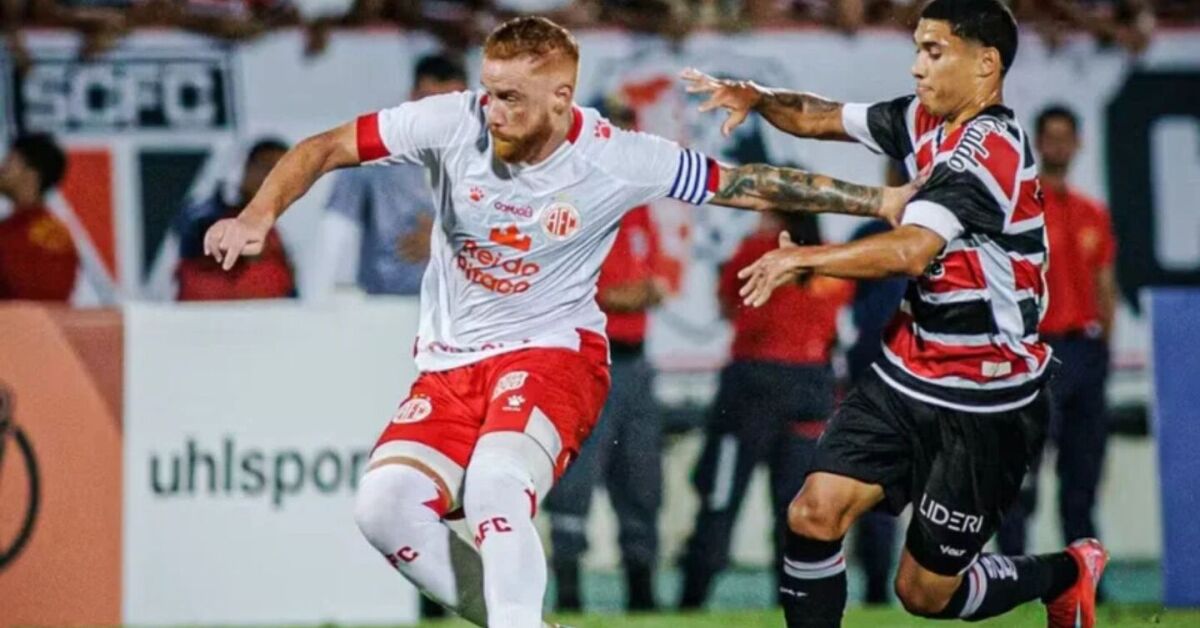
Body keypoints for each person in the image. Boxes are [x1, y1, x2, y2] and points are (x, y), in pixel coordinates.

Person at [203, 16, 915, 627]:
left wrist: (879, 202)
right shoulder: (451, 121)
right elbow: (326, 146)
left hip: (554, 354)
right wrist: (258, 214)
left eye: (512, 98)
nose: (493, 111)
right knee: (384, 509)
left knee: (495, 484)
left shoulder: (616, 156)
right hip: (451, 365)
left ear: (561, 97)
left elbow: (745, 183)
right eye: (490, 91)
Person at [683, 1, 1107, 626]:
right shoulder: (921, 119)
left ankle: (1065, 573)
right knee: (812, 512)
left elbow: (911, 250)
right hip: (906, 374)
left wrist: (805, 259)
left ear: (986, 64)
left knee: (925, 593)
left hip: (985, 398)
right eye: (917, 49)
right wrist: (760, 98)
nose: (916, 67)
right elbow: (821, 116)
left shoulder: (989, 151)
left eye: (934, 51)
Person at [679, 211, 852, 610]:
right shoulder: (832, 258)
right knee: (795, 506)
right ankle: (794, 602)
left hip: (752, 384)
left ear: (774, 213)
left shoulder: (756, 249)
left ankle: (692, 600)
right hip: (811, 386)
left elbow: (728, 302)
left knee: (721, 495)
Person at [997, 105, 1117, 560]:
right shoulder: (1021, 210)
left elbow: (1105, 283)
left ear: (1078, 143)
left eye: (1066, 137)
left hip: (1084, 351)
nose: (1059, 146)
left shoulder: (1092, 212)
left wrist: (1103, 347)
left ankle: (1083, 575)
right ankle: (1013, 570)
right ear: (1039, 143)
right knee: (1021, 471)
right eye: (1051, 137)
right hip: (1036, 350)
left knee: (1083, 473)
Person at [543, 204, 665, 613]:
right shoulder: (580, 206)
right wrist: (632, 295)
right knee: (573, 484)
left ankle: (642, 596)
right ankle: (569, 594)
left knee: (641, 482)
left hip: (636, 362)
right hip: (587, 363)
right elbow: (584, 291)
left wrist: (638, 293)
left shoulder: (641, 210)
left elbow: (660, 281)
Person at [313, 54, 468, 298]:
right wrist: (317, 299)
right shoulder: (373, 155)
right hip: (387, 302)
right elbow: (335, 227)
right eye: (431, 102)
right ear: (413, 98)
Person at [155, 138, 295, 301]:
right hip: (209, 311)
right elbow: (192, 231)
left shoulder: (279, 228)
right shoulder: (208, 211)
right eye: (266, 167)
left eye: (282, 172)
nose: (271, 177)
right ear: (247, 167)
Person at [0, 133, 77, 302]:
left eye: (9, 162)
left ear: (31, 175)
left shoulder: (12, 235)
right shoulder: (60, 233)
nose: (1, 170)